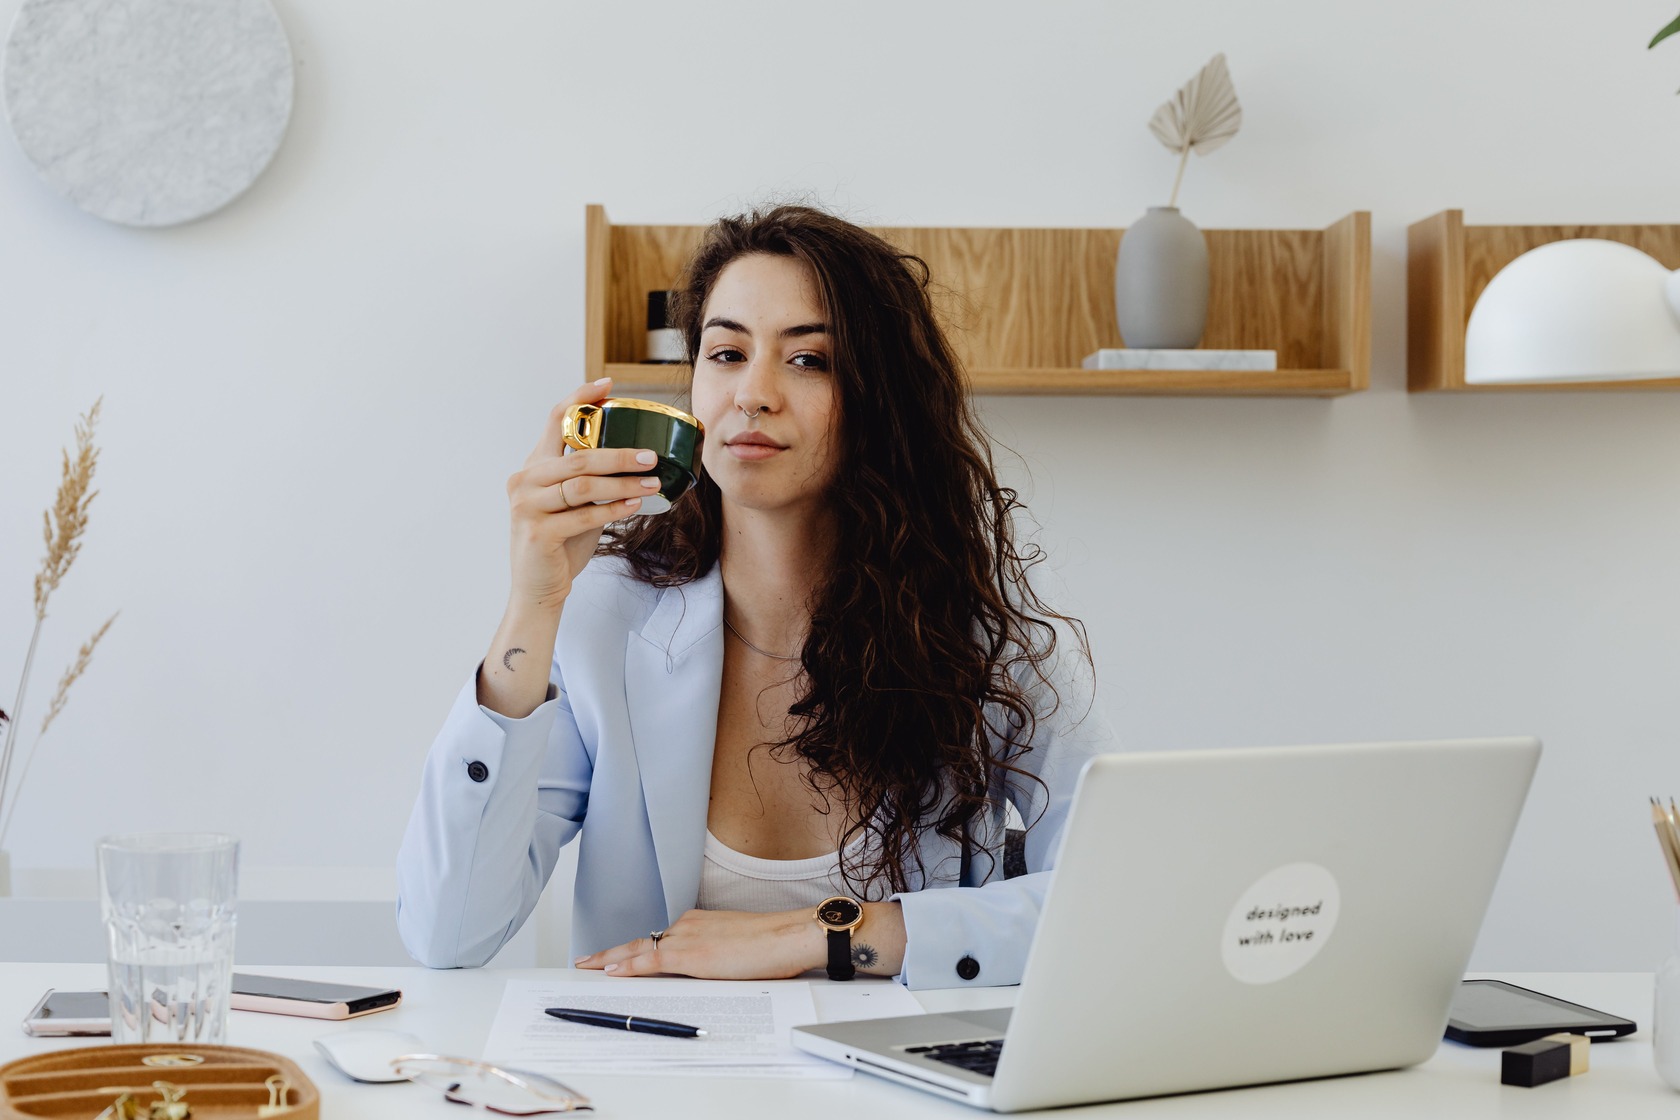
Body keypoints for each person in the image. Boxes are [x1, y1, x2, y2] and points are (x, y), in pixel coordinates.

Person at [396, 205, 1114, 989]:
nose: (754, 393)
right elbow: (448, 932)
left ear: (882, 400)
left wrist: (825, 935)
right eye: (727, 352)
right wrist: (533, 605)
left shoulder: (983, 629)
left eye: (809, 360)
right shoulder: (606, 615)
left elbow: (1117, 895)